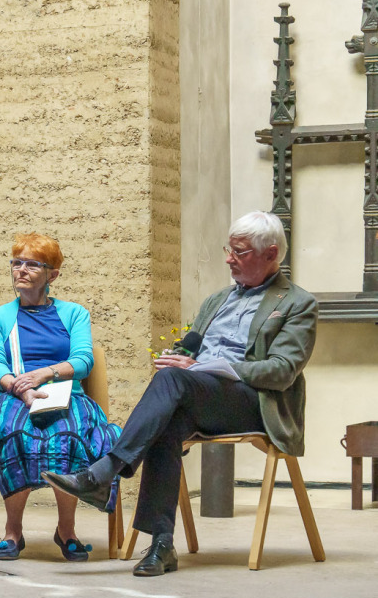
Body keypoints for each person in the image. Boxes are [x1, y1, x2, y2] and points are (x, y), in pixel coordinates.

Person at [47, 211, 318, 576]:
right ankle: (161, 545)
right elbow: (189, 347)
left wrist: (202, 367)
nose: (229, 259)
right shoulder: (217, 300)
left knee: (174, 383)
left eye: (239, 252)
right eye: (228, 250)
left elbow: (282, 370)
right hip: (202, 397)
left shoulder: (297, 303)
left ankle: (103, 473)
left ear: (270, 254)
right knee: (168, 422)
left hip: (254, 401)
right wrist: (177, 357)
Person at [0, 233, 120, 561]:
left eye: (32, 264)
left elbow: (83, 361)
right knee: (16, 433)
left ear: (52, 275)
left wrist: (45, 374)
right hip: (12, 394)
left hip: (66, 394)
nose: (21, 270)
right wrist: (21, 388)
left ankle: (66, 530)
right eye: (17, 263)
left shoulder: (74, 313)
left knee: (68, 434)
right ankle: (13, 531)